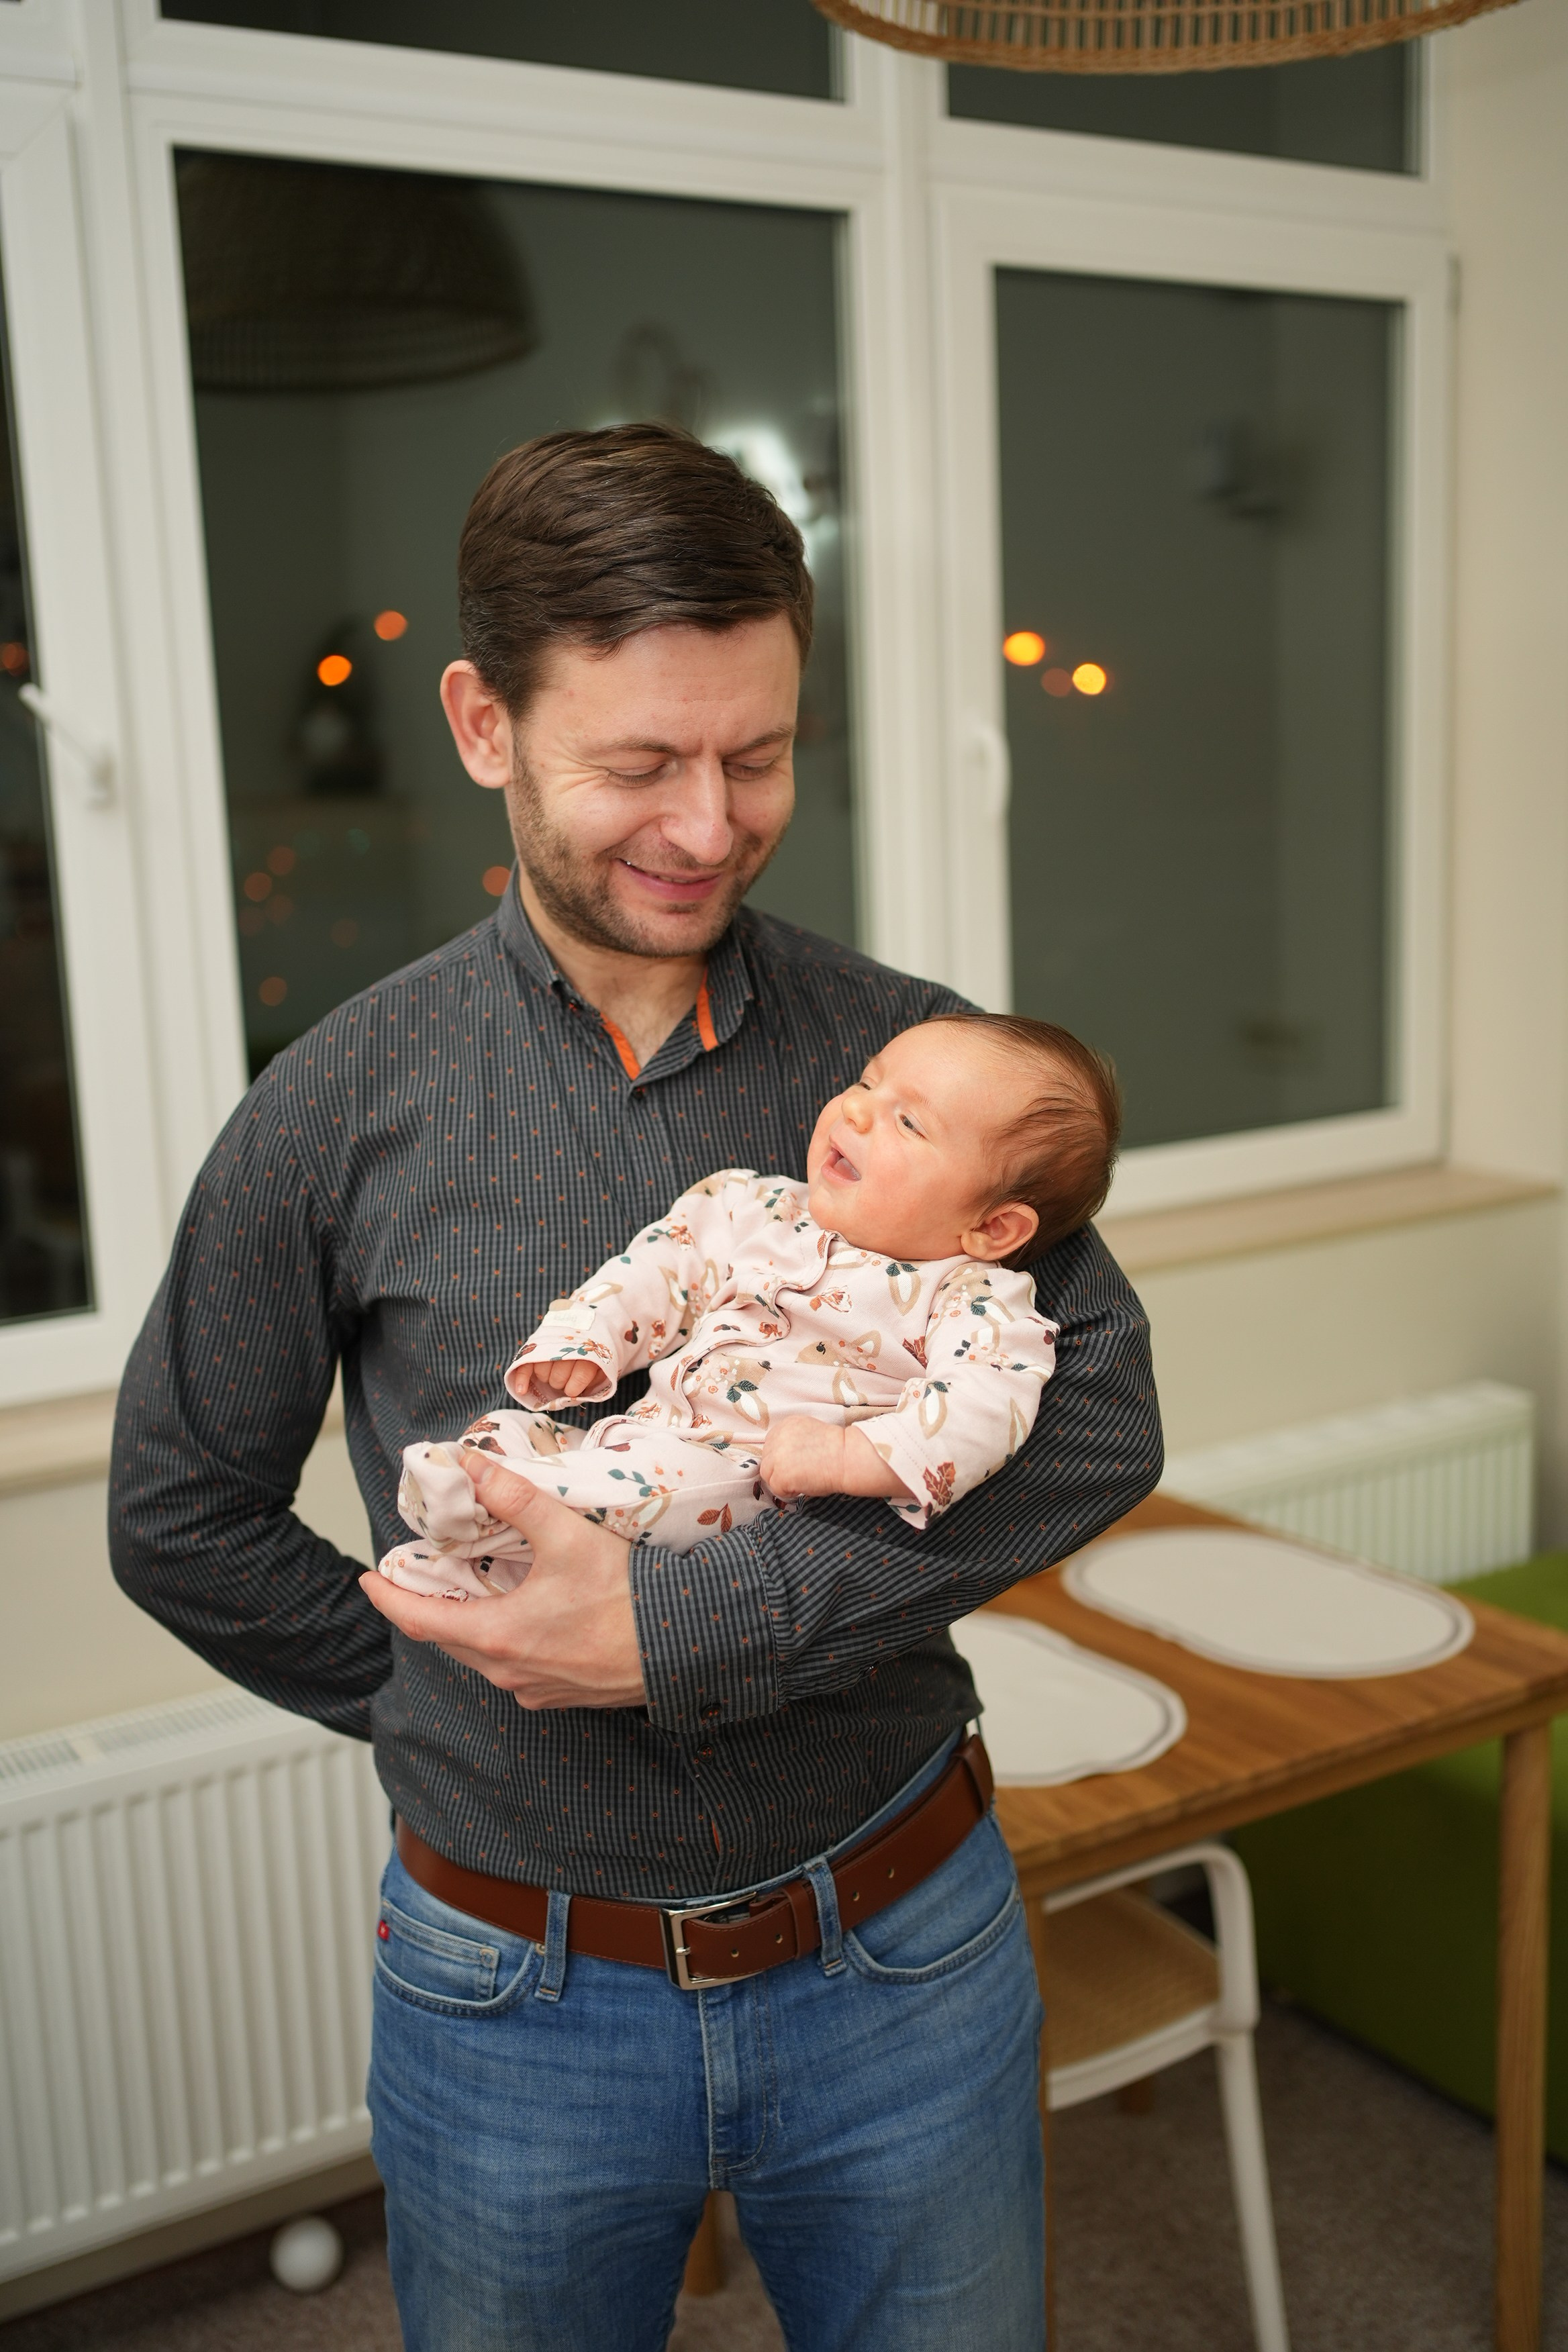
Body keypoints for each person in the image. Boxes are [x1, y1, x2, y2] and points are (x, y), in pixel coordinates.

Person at [110, 423, 1163, 2352]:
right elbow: (176, 1512)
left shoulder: (907, 1070)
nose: (706, 821)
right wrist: (472, 1686)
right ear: (482, 724)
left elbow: (1092, 1414)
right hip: (513, 1992)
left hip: (907, 1942)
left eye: (758, 756)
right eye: (639, 764)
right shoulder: (336, 1103)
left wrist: (688, 1632)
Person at [379, 1012, 1113, 1600]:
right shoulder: (754, 1204)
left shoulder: (973, 1298)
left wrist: (855, 1456)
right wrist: (588, 1334)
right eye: (866, 1083)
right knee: (517, 1433)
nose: (855, 1113)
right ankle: (486, 1562)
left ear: (991, 1228)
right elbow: (662, 1263)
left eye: (908, 1123)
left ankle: (490, 1513)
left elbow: (987, 1405)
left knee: (650, 1491)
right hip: (636, 1437)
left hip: (743, 1482)